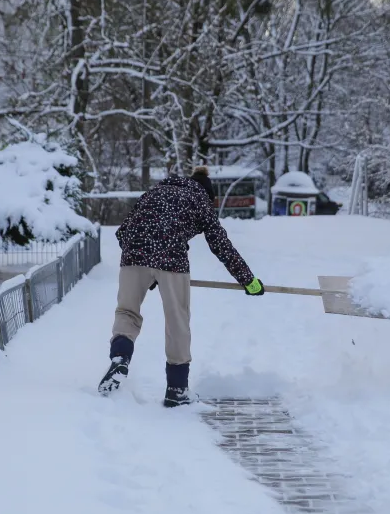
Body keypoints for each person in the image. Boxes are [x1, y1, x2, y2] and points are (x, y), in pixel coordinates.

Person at [98, 165, 265, 407]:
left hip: (133, 253)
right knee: (177, 319)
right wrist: (248, 280)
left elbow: (123, 231)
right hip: (171, 258)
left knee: (127, 311)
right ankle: (177, 389)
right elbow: (220, 244)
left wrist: (146, 266)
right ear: (210, 195)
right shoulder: (200, 199)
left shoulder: (155, 191)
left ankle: (120, 358)